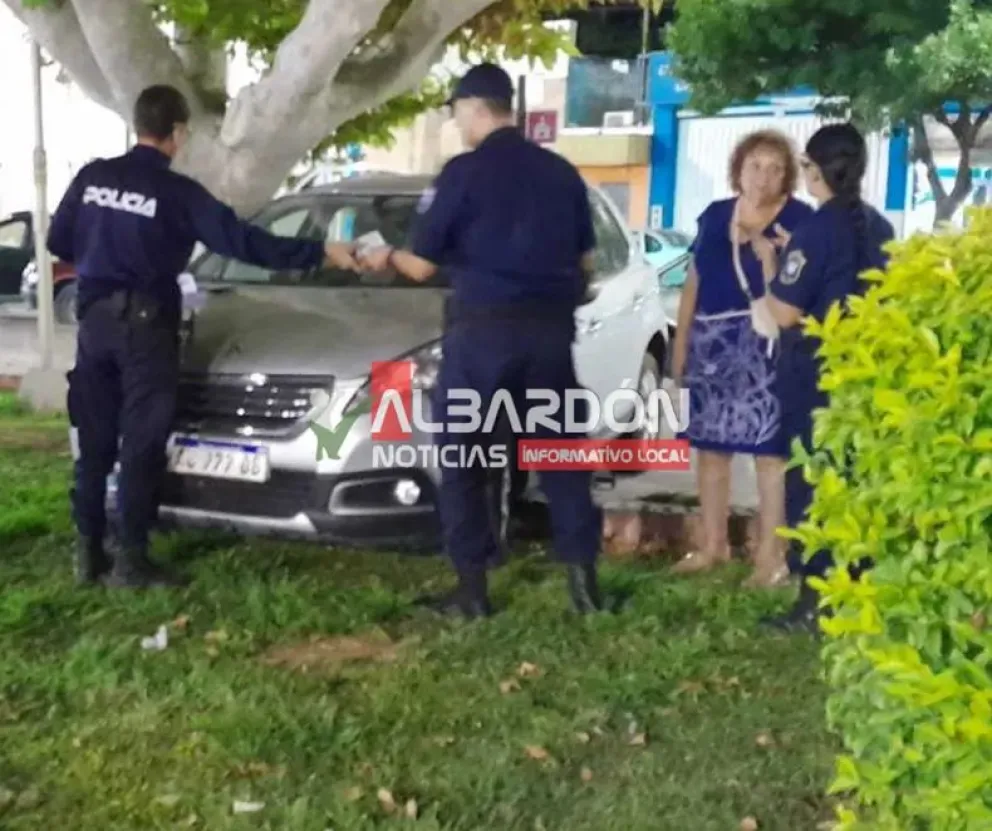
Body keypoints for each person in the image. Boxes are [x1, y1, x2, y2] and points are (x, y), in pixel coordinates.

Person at [51, 84, 359, 589]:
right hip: (145, 329)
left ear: (138, 125)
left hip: (95, 325)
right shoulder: (177, 194)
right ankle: (131, 560)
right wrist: (319, 252)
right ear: (176, 133)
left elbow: (57, 240)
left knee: (97, 440)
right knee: (142, 443)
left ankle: (88, 553)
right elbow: (244, 242)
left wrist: (104, 245)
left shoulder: (92, 177)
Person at [359, 63, 603, 618]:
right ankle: (585, 588)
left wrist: (384, 256)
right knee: (562, 458)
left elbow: (421, 266)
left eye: (455, 114)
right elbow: (586, 261)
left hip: (483, 337)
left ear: (472, 108)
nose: (456, 124)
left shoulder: (462, 173)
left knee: (466, 459)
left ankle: (471, 590)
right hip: (548, 337)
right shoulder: (561, 172)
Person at [760, 122, 894, 632]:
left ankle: (815, 601)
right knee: (855, 483)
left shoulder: (815, 231)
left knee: (811, 485)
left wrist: (775, 264)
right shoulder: (879, 226)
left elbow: (785, 312)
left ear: (814, 172)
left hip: (813, 379)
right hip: (862, 379)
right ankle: (857, 589)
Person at [671, 130, 814, 588]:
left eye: (775, 168)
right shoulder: (715, 217)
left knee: (770, 454)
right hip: (712, 346)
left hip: (767, 346)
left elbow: (803, 291)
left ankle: (770, 558)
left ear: (787, 176)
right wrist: (681, 346)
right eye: (755, 165)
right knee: (710, 450)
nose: (763, 177)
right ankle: (712, 546)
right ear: (738, 168)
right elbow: (692, 283)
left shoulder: (799, 220)